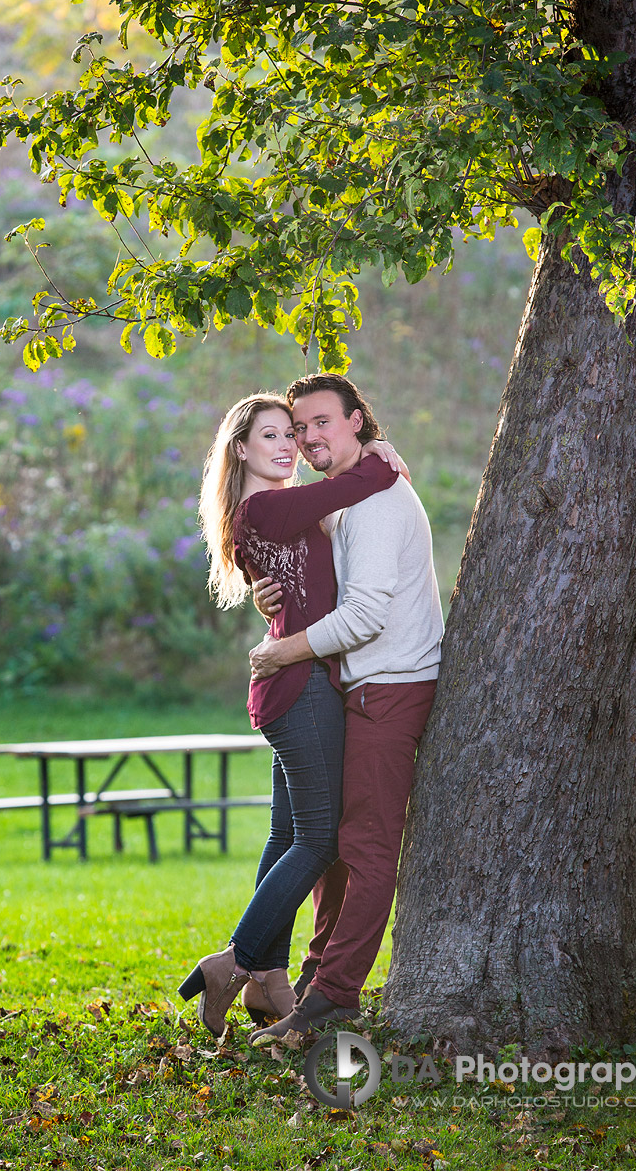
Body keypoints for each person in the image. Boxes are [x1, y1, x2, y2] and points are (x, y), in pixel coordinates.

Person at [180, 392, 402, 1037]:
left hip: (293, 685)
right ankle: (235, 961)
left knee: (286, 835)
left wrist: (268, 600)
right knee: (321, 837)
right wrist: (380, 449)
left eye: (292, 433)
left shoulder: (264, 513)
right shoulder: (271, 506)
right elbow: (371, 477)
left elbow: (293, 594)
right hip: (301, 689)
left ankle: (269, 978)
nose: (288, 445)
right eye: (272, 435)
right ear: (241, 449)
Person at [246, 372, 444, 1042]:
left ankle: (334, 995)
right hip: (356, 688)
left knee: (361, 846)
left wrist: (284, 651)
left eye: (321, 421)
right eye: (299, 427)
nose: (306, 437)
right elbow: (311, 574)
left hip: (390, 688)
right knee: (328, 845)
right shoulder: (350, 497)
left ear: (357, 420)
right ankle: (312, 976)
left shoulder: (378, 503)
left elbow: (362, 615)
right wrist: (265, 595)